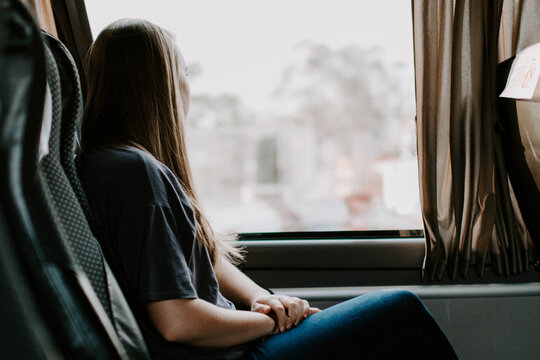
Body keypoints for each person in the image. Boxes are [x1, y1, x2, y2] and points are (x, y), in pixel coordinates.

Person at [78, 18, 458, 360]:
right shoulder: (136, 173)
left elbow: (199, 255)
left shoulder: (110, 164)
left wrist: (262, 298)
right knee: (403, 312)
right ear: (162, 85)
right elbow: (177, 321)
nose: (187, 83)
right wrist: (271, 322)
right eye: (184, 70)